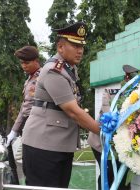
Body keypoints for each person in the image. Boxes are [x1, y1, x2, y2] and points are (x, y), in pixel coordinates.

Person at [21, 22, 100, 188]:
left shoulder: (68, 69)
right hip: (43, 146)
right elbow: (73, 111)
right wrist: (103, 132)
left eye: (82, 46)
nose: (80, 50)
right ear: (60, 47)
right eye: (75, 45)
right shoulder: (53, 70)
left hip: (59, 144)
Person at [88, 64, 138, 190]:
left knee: (122, 179)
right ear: (125, 80)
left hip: (122, 146)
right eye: (129, 80)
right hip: (102, 144)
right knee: (108, 175)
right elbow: (110, 117)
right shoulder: (111, 94)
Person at [6, 46, 41, 147]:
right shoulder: (28, 80)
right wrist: (14, 130)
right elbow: (24, 107)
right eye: (22, 63)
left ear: (36, 61)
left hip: (40, 125)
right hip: (29, 126)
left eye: (27, 63)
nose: (24, 66)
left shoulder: (43, 76)